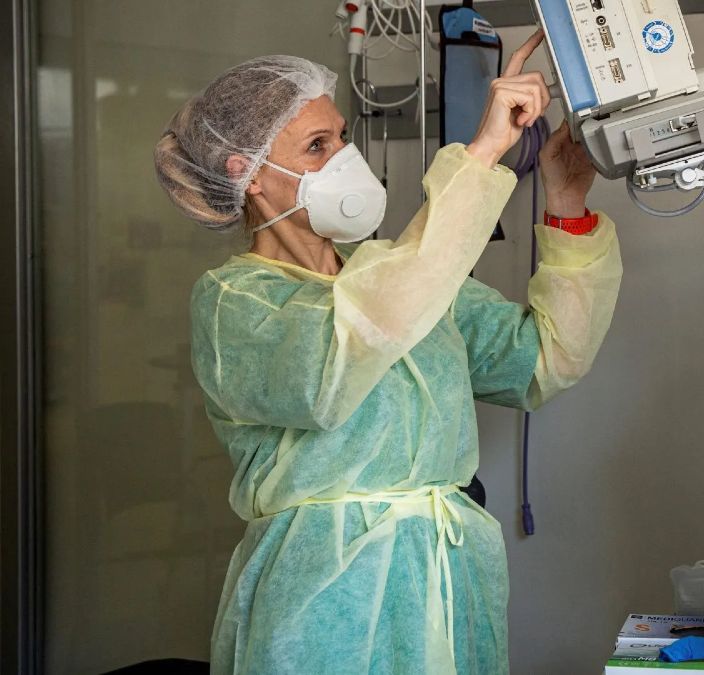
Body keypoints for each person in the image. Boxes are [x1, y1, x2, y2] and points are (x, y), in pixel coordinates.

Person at [153, 32, 622, 674]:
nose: (347, 158)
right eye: (318, 146)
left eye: (341, 136)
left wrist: (566, 201)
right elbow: (347, 351)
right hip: (323, 599)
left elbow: (542, 359)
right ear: (250, 173)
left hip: (448, 581)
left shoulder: (395, 277)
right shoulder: (234, 302)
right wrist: (483, 153)